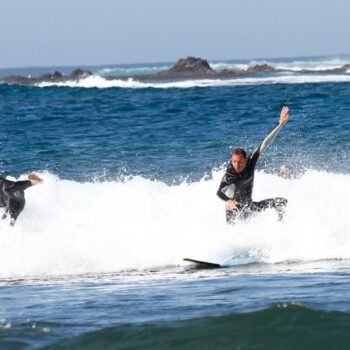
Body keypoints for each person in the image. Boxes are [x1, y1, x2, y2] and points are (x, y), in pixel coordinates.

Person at [217, 106, 289, 224]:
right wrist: (228, 200)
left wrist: (280, 125)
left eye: (239, 162)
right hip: (234, 209)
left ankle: (281, 226)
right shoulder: (230, 174)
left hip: (250, 206)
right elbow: (219, 192)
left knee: (281, 202)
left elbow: (265, 143)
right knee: (234, 220)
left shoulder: (251, 161)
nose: (236, 165)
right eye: (234, 162)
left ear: (245, 160)